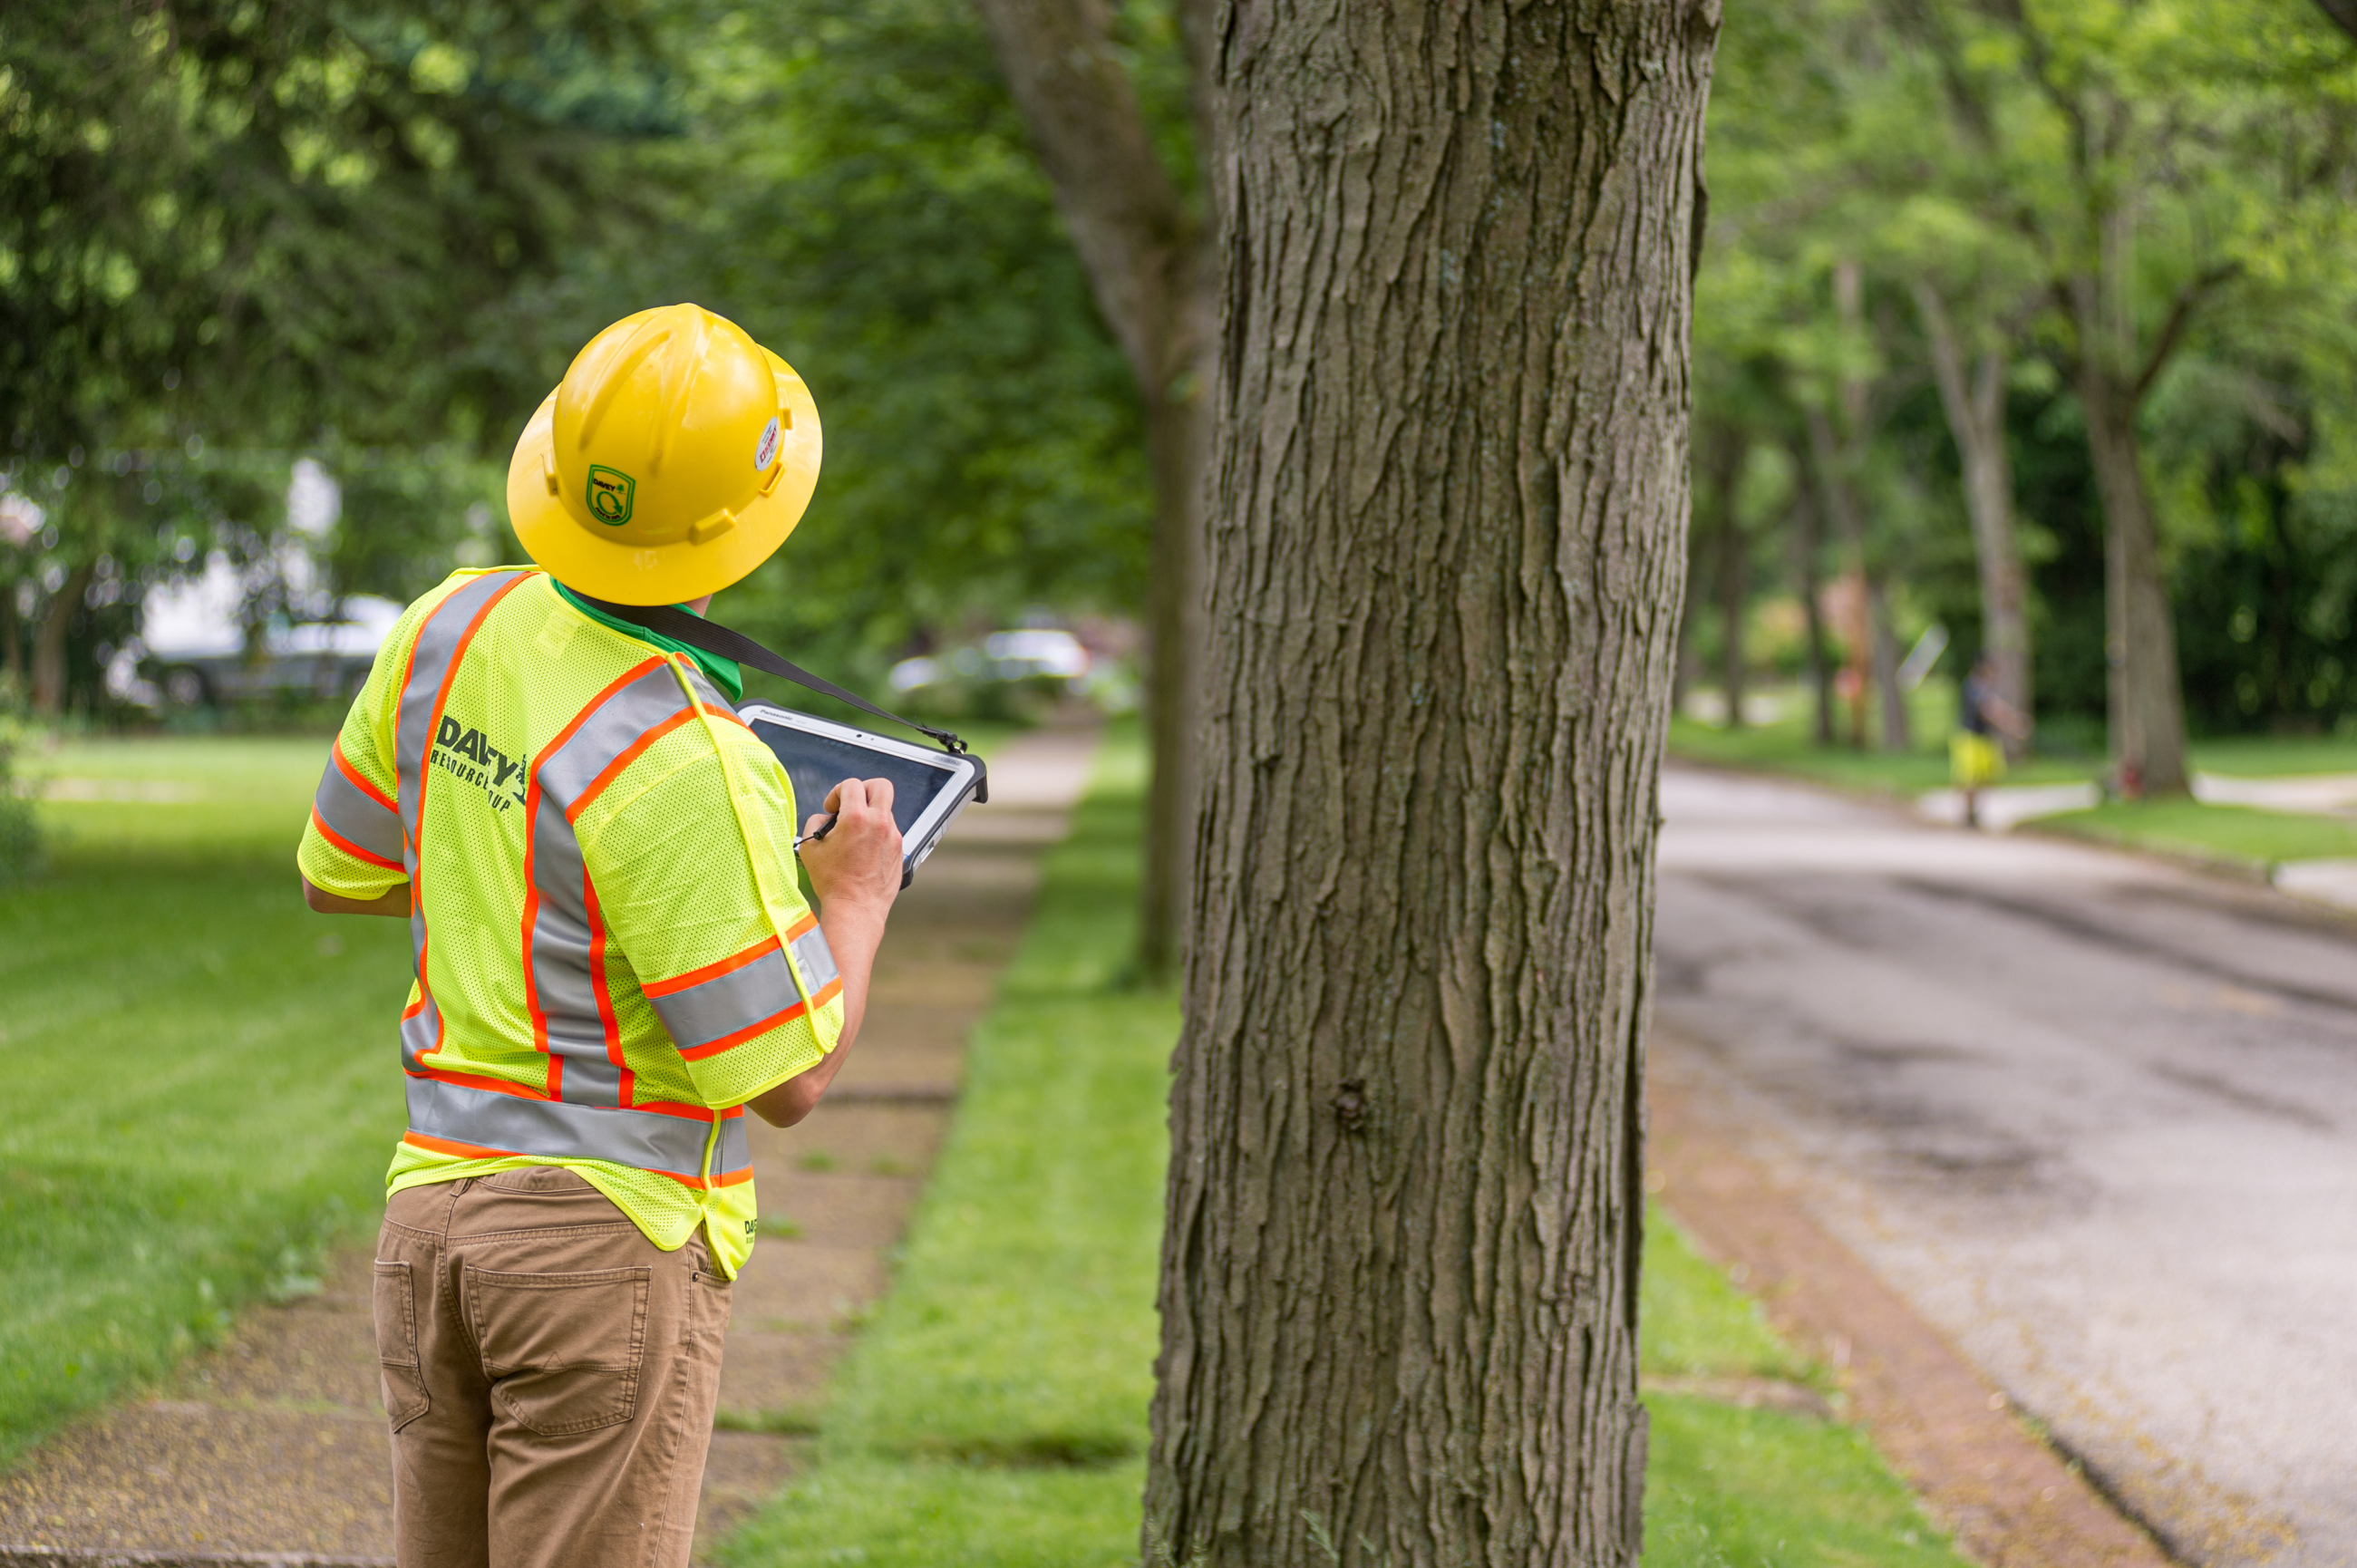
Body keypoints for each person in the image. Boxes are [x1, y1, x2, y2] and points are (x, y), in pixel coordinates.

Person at [296, 304, 904, 1568]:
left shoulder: (446, 625)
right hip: (598, 1250)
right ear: (741, 524)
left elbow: (342, 871)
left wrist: (534, 849)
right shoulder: (691, 755)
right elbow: (788, 1076)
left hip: (429, 1234)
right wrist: (853, 893)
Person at [1951, 651, 2031, 829]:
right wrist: (2012, 726)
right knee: (1970, 777)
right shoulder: (1973, 685)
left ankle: (1973, 810)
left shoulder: (1985, 686)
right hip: (1970, 737)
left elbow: (1997, 706)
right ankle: (1968, 813)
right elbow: (1989, 710)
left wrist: (2014, 719)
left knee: (1988, 776)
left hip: (1986, 739)